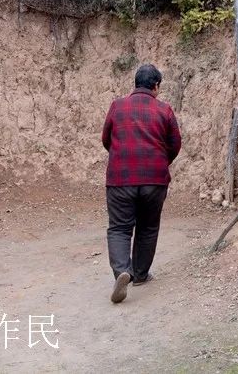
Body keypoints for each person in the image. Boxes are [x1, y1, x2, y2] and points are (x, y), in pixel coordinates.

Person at [100, 63, 182, 304]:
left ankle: (122, 272)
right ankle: (141, 274)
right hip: (154, 180)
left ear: (135, 84)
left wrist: (120, 157)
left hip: (120, 179)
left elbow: (106, 139)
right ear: (156, 86)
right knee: (147, 227)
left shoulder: (117, 106)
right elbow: (175, 143)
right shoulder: (164, 110)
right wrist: (160, 161)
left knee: (119, 228)